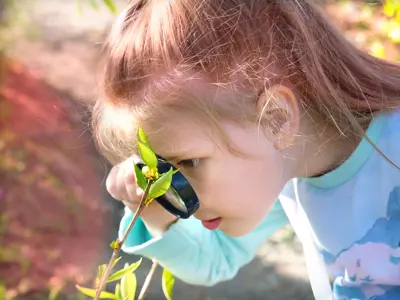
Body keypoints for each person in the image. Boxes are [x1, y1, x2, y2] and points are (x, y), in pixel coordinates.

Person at [92, 1, 400, 299]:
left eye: (189, 162)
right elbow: (214, 258)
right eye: (163, 170)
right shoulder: (285, 170)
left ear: (276, 118)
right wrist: (153, 215)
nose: (180, 194)